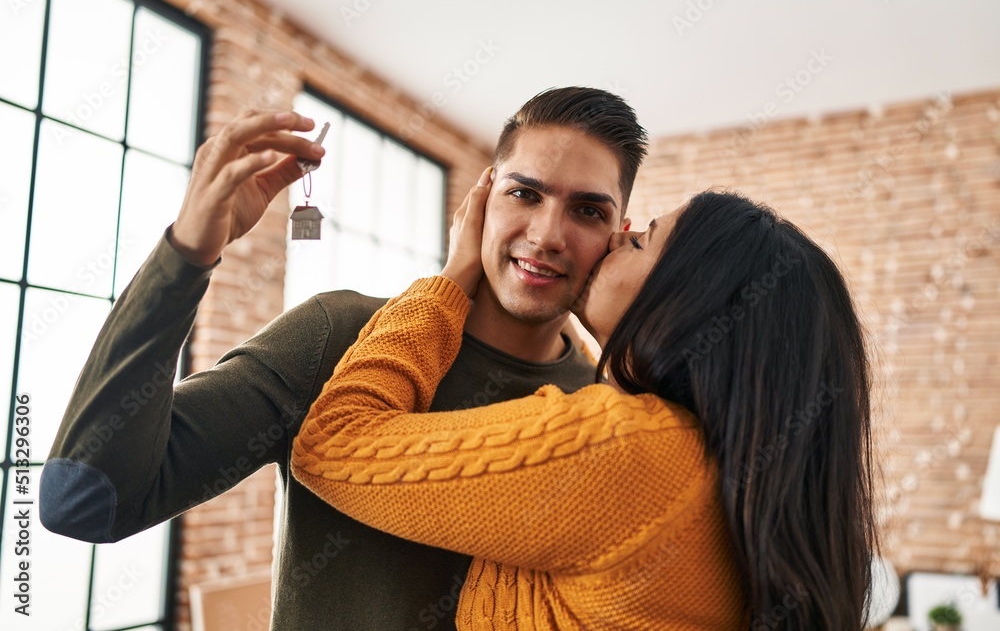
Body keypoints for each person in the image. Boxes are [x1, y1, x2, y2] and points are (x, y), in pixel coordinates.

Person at [39, 87, 649, 630]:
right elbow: (89, 500)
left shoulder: (605, 408)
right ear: (484, 197)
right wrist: (186, 256)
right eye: (525, 193)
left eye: (587, 211)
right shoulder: (342, 335)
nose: (546, 235)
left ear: (619, 234)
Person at [290, 181, 880, 629]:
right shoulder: (726, 469)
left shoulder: (624, 451)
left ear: (688, 304)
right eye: (524, 193)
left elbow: (332, 444)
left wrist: (449, 281)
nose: (617, 237)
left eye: (642, 238)